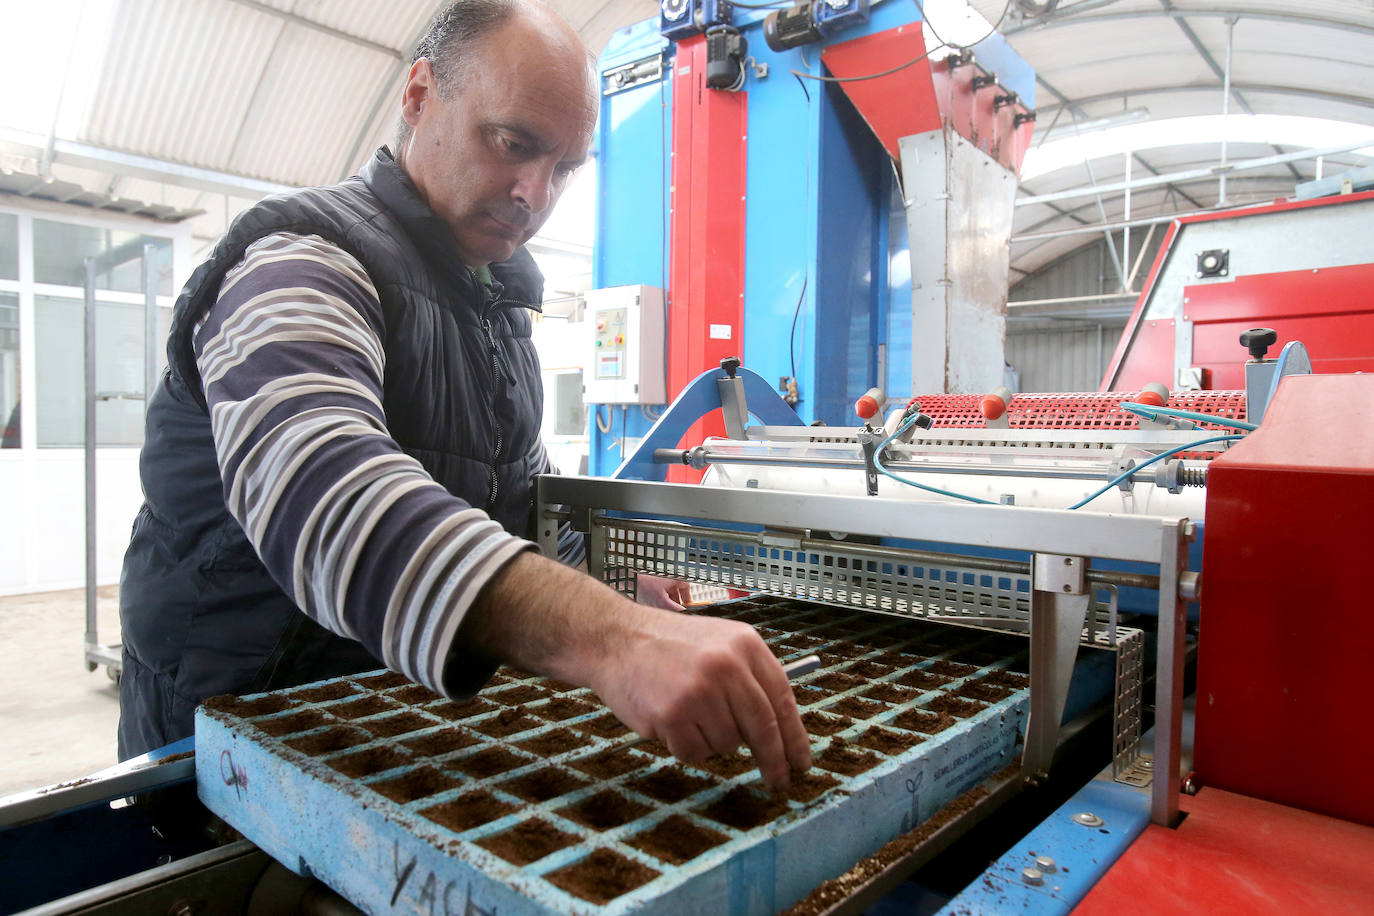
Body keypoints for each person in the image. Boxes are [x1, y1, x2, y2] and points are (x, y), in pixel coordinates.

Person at [118, 0, 810, 791]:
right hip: (238, 742)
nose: (533, 193)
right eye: (512, 144)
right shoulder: (301, 261)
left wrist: (616, 581)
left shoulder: (495, 302)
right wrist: (614, 638)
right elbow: (325, 494)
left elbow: (516, 496)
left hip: (389, 722)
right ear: (418, 97)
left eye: (564, 167)